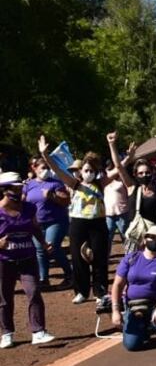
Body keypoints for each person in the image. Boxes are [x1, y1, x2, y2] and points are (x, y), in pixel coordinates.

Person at [38, 135, 112, 308]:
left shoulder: (101, 183)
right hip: (78, 223)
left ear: (96, 171)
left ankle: (101, 292)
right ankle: (81, 292)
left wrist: (114, 146)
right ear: (81, 171)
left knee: (99, 258)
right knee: (78, 258)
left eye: (91, 170)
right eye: (85, 170)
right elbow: (57, 170)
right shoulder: (74, 184)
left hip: (98, 223)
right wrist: (45, 155)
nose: (88, 173)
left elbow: (119, 168)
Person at [0, 173, 57, 349]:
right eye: (14, 189)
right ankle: (7, 333)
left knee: (34, 292)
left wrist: (43, 243)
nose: (18, 192)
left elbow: (35, 228)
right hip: (4, 261)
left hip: (27, 258)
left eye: (20, 188)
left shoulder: (29, 208)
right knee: (4, 297)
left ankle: (38, 332)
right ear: (4, 190)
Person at [110, 225, 156, 351]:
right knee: (131, 345)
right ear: (144, 239)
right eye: (152, 237)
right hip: (134, 306)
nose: (155, 241)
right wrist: (115, 310)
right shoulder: (131, 259)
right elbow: (118, 285)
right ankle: (144, 328)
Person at [24, 156, 72, 287]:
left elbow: (66, 201)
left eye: (48, 168)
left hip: (55, 221)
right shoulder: (28, 185)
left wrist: (52, 196)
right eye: (43, 168)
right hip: (37, 223)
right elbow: (23, 200)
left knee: (52, 247)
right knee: (40, 250)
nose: (46, 170)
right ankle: (43, 279)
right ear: (34, 169)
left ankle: (70, 275)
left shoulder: (56, 183)